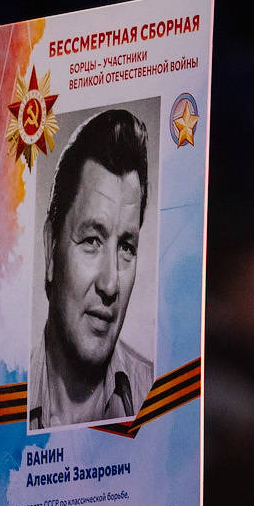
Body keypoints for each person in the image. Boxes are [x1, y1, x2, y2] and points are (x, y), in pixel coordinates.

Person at [27, 108, 154, 431]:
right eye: (92, 240)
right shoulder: (4, 398)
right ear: (50, 247)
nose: (110, 285)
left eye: (126, 247)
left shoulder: (161, 399)